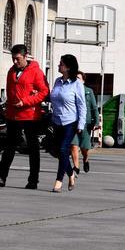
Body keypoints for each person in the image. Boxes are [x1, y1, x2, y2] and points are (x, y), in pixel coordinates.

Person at [0, 44, 49, 189]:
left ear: (26, 56)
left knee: (33, 148)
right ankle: (1, 176)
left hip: (30, 115)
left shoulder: (36, 72)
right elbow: (10, 91)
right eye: (13, 58)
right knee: (10, 146)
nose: (15, 62)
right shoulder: (11, 72)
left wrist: (26, 101)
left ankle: (33, 180)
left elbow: (44, 91)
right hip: (13, 115)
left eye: (17, 59)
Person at [49, 55, 86, 193]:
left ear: (68, 67)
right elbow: (53, 98)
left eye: (61, 64)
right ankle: (71, 174)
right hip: (56, 121)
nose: (59, 65)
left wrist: (81, 125)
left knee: (64, 150)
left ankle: (59, 180)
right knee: (60, 152)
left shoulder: (77, 84)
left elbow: (82, 106)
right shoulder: (57, 81)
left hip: (70, 122)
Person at [69, 72, 98, 175]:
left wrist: (96, 122)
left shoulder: (89, 92)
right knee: (74, 145)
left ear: (83, 81)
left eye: (78, 78)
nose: (76, 80)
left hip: (86, 123)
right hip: (73, 123)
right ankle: (76, 167)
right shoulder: (71, 90)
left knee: (84, 147)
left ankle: (85, 159)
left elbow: (94, 108)